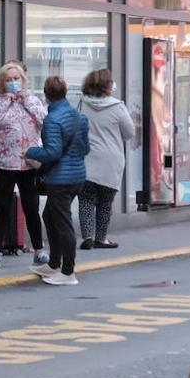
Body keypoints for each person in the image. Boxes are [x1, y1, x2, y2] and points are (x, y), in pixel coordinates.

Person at [0, 60, 48, 268]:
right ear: (2, 82)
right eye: (8, 79)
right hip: (3, 163)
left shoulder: (33, 100)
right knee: (2, 207)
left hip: (28, 162)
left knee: (31, 207)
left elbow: (45, 121)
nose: (13, 82)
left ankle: (39, 249)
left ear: (23, 80)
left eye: (16, 78)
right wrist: (6, 103)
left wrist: (26, 101)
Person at [26, 76, 90, 286]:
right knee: (50, 215)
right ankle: (54, 264)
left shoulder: (52, 120)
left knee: (62, 223)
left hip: (60, 179)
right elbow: (86, 149)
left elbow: (52, 152)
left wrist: (30, 151)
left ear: (46, 94)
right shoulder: (79, 118)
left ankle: (68, 272)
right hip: (77, 176)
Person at [78, 68, 135, 250]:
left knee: (85, 199)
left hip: (86, 158)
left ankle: (87, 236)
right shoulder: (117, 106)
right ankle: (101, 238)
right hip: (111, 160)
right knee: (105, 202)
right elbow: (129, 132)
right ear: (108, 86)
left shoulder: (82, 104)